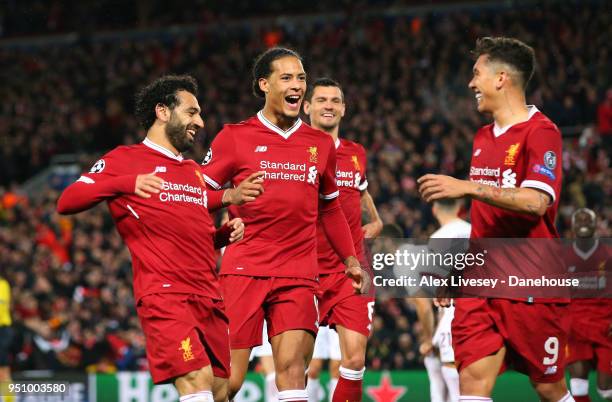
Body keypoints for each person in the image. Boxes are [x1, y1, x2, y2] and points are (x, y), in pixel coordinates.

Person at [57, 75, 262, 402]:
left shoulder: (192, 171)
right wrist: (127, 182)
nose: (200, 121)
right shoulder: (124, 159)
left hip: (208, 294)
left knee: (223, 390)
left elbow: (190, 228)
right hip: (166, 294)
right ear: (163, 111)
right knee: (197, 379)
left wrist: (222, 230)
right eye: (192, 112)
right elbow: (67, 201)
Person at [201, 48, 367, 402]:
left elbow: (331, 210)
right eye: (287, 77)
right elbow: (194, 195)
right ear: (264, 84)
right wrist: (229, 196)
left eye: (301, 78)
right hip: (244, 269)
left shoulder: (321, 144)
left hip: (298, 272)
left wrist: (350, 259)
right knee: (228, 382)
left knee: (292, 373)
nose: (297, 85)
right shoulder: (234, 137)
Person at [418, 37, 573, 402]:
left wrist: (468, 187)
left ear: (501, 78)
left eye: (477, 74)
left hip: (531, 282)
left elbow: (536, 202)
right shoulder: (482, 137)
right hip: (481, 285)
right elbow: (486, 223)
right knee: (470, 383)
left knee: (550, 387)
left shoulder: (542, 132)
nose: (471, 84)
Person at [302, 77, 382, 402]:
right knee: (297, 365)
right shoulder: (295, 150)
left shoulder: (355, 153)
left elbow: (360, 190)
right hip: (303, 268)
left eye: (335, 101)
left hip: (350, 268)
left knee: (354, 361)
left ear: (344, 109)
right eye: (321, 100)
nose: (329, 106)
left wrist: (374, 220)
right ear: (306, 107)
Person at [565, 208, 612, 402]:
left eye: (588, 220)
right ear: (573, 226)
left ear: (596, 225)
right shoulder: (562, 255)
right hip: (575, 325)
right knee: (578, 383)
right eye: (579, 220)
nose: (583, 223)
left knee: (606, 389)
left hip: (606, 324)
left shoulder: (608, 253)